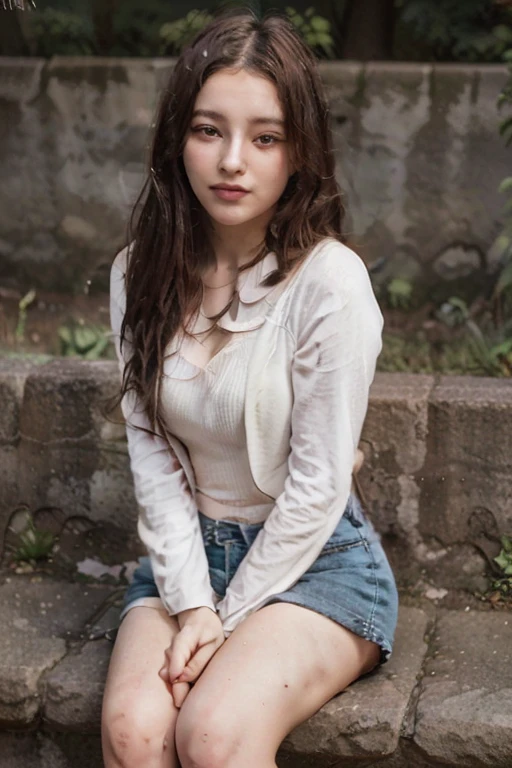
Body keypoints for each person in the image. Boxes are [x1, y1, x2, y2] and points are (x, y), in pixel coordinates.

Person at [101, 8, 399, 768]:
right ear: (178, 138)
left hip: (317, 562)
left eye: (265, 137)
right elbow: (152, 453)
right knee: (135, 731)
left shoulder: (329, 284)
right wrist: (194, 601)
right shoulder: (139, 273)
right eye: (209, 130)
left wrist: (224, 618)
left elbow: (318, 484)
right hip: (186, 555)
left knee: (215, 732)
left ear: (298, 152)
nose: (233, 160)